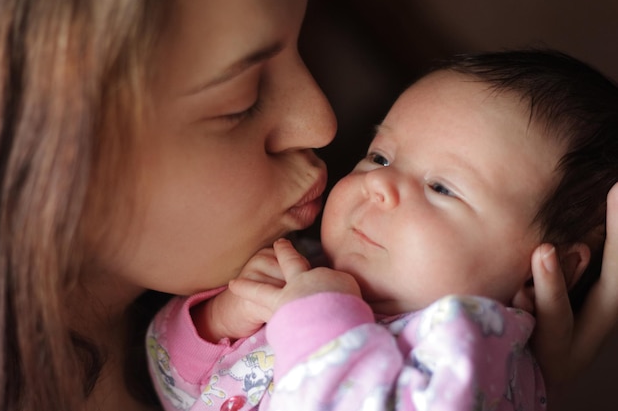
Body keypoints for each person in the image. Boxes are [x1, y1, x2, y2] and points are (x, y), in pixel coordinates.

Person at [0, 0, 617, 409]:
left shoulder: (457, 345)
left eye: (443, 188)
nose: (325, 123)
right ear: (53, 164)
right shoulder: (313, 283)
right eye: (239, 100)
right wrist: (218, 326)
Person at [146, 49, 618, 411]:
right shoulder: (302, 263)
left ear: (542, 270)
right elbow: (173, 388)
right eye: (380, 156)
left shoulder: (475, 352)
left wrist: (320, 323)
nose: (380, 186)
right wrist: (220, 320)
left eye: (440, 187)